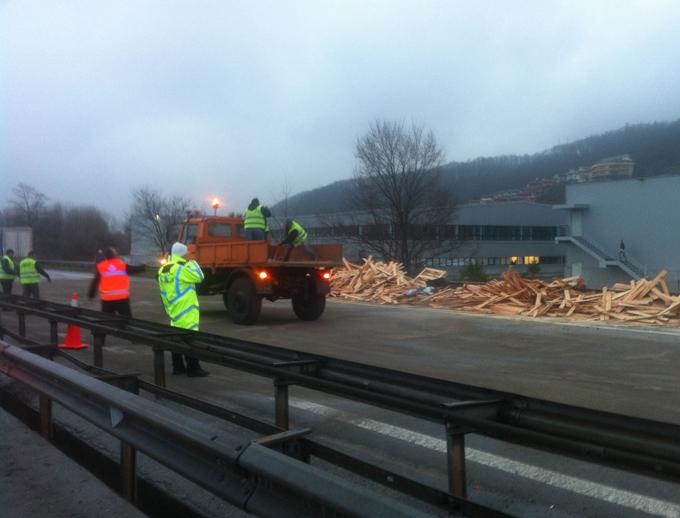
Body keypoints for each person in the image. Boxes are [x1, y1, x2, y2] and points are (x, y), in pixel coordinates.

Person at [158, 242, 209, 377]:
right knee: (190, 339)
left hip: (174, 310)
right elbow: (200, 276)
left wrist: (168, 309)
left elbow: (163, 292)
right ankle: (193, 368)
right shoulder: (182, 269)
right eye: (187, 253)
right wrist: (191, 260)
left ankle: (178, 367)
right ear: (183, 254)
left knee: (176, 337)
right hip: (187, 310)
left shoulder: (163, 269)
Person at [88, 247, 146, 316]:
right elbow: (135, 269)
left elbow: (95, 282)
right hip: (122, 299)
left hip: (107, 300)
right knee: (126, 321)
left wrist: (91, 295)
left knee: (107, 321)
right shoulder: (122, 265)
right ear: (115, 255)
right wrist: (143, 266)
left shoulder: (101, 267)